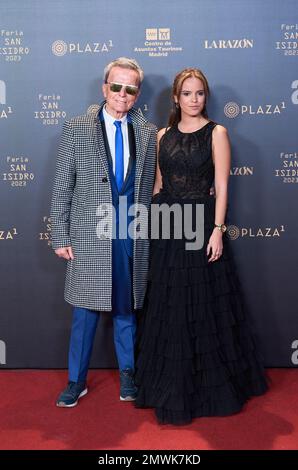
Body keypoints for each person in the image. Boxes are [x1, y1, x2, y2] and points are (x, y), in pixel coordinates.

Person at [134, 68, 268, 425]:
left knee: (204, 307)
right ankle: (168, 383)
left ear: (205, 97)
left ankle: (204, 387)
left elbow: (222, 187)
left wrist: (217, 230)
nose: (194, 100)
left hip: (201, 224)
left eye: (199, 93)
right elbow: (158, 185)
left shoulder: (217, 133)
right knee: (169, 304)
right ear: (175, 98)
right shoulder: (162, 134)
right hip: (167, 226)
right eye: (187, 94)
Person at [50, 57, 157, 407]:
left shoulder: (146, 131)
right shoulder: (77, 127)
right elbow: (62, 186)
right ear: (104, 88)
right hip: (88, 232)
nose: (122, 94)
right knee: (85, 310)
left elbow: (152, 186)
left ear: (137, 94)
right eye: (116, 86)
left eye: (130, 88)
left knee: (127, 307)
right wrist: (60, 235)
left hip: (131, 228)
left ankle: (128, 374)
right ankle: (75, 380)